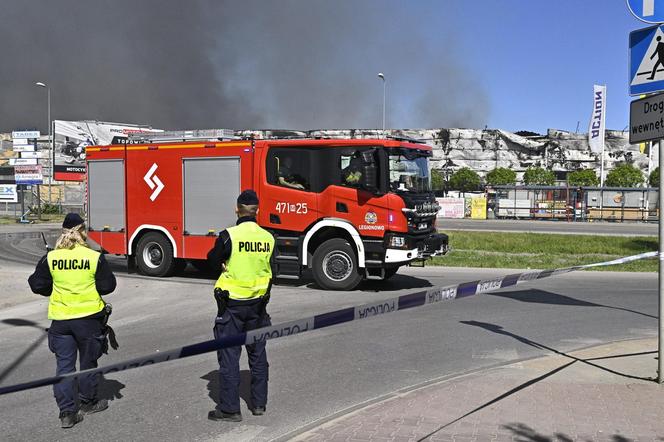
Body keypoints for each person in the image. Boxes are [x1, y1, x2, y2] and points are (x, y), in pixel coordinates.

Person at [28, 213, 117, 429]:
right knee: (87, 364)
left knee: (64, 368)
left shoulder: (51, 257)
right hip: (88, 321)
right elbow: (107, 286)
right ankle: (88, 403)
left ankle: (67, 413)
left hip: (61, 321)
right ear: (83, 231)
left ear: (63, 231)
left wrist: (56, 287)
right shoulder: (93, 256)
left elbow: (37, 285)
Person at [206, 190, 275, 422]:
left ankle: (229, 410)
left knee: (229, 357)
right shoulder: (268, 237)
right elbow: (272, 269)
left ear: (237, 209)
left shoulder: (229, 236)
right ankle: (259, 404)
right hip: (258, 307)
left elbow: (212, 260)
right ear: (258, 210)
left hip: (232, 307)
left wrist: (224, 263)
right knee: (258, 356)